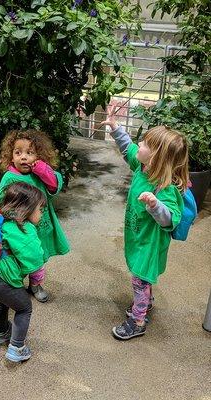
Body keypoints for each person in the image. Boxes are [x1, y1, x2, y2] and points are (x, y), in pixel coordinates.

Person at [100, 105, 189, 340]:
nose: (140, 144)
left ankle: (138, 321)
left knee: (139, 279)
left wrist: (155, 205)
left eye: (146, 144)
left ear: (157, 157)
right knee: (142, 278)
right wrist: (115, 127)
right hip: (137, 236)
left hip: (149, 243)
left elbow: (171, 219)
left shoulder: (165, 188)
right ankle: (146, 302)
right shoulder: (142, 167)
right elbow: (128, 147)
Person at [0, 129, 70, 302]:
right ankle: (16, 284)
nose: (23, 157)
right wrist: (19, 213)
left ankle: (35, 284)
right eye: (18, 152)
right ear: (11, 156)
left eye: (30, 153)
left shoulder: (40, 174)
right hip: (20, 229)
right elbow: (1, 200)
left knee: (38, 255)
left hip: (41, 226)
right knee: (20, 256)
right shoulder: (9, 178)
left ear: (39, 156)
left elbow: (54, 186)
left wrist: (43, 170)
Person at [0, 182, 47, 362]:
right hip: (1, 283)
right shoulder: (23, 228)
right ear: (27, 209)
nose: (41, 213)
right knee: (24, 308)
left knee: (3, 302)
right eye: (40, 209)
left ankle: (0, 332)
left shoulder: (2, 221)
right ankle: (17, 348)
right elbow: (35, 257)